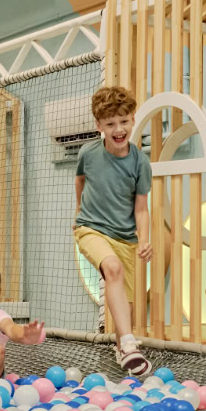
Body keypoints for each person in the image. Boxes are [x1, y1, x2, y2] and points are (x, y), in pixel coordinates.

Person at [73, 85, 153, 377]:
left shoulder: (140, 162)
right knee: (112, 268)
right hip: (91, 229)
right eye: (110, 124)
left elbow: (141, 208)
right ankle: (131, 343)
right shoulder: (88, 153)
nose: (118, 129)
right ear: (99, 126)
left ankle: (124, 350)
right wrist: (78, 213)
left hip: (125, 238)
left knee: (125, 308)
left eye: (124, 121)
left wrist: (144, 240)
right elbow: (80, 180)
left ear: (133, 119)